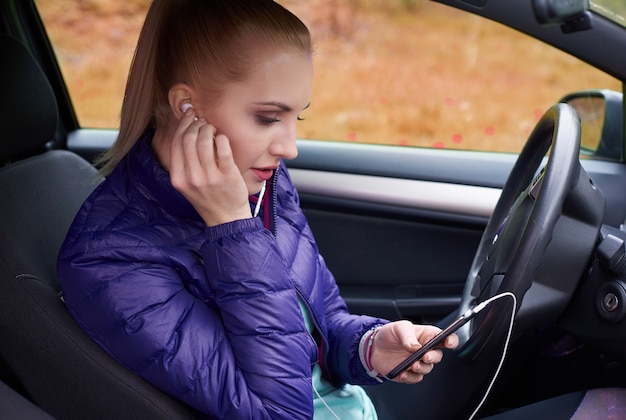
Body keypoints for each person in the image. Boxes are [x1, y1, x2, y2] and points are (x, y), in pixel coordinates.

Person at [57, 0, 458, 418]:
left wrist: (369, 348)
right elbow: (279, 412)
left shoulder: (262, 184)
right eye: (268, 118)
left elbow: (318, 328)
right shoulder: (110, 259)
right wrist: (231, 229)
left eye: (296, 118)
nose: (289, 148)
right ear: (187, 108)